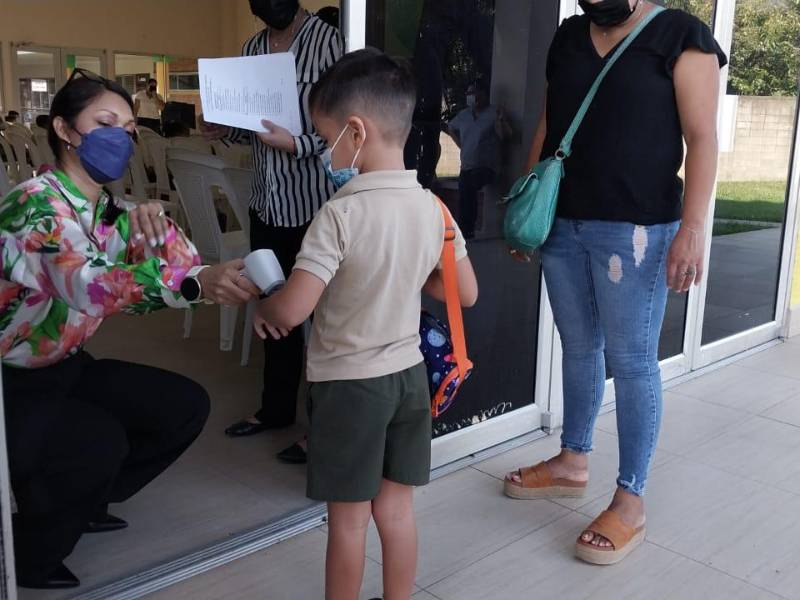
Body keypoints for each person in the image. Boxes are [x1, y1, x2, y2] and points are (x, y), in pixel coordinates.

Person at [0, 68, 259, 589]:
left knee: (182, 407)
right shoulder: (35, 206)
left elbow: (181, 271)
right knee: (98, 443)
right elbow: (89, 285)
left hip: (67, 364)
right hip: (12, 380)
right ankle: (29, 555)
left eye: (126, 127)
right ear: (65, 129)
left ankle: (83, 498)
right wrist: (192, 283)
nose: (119, 137)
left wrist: (165, 237)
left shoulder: (109, 210)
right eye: (104, 123)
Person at [503, 0, 727, 565]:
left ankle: (631, 499)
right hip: (563, 222)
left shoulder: (681, 35)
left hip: (638, 231)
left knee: (632, 362)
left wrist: (693, 228)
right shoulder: (568, 36)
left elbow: (702, 137)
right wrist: (527, 206)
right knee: (578, 348)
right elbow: (550, 126)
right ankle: (572, 461)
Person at [253, 48, 478, 600]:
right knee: (396, 512)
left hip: (349, 387)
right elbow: (465, 293)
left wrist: (266, 305)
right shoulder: (434, 209)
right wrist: (408, 270)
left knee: (349, 522)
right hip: (408, 380)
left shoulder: (340, 214)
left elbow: (294, 309)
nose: (326, 151)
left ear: (356, 131)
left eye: (325, 137)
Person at [202, 0, 343, 464]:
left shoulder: (331, 42)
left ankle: (325, 427)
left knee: (325, 320)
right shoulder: (252, 49)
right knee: (274, 307)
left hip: (316, 206)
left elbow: (347, 126)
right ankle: (276, 409)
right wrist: (222, 128)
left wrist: (296, 143)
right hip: (267, 203)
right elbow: (249, 126)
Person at [445, 79, 511, 239]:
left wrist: (501, 120)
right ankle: (465, 231)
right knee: (465, 192)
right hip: (467, 165)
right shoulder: (464, 115)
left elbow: (506, 135)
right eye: (469, 93)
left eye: (473, 93)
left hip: (486, 166)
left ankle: (467, 228)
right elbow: (450, 127)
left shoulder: (494, 113)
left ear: (483, 94)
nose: (470, 96)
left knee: (470, 185)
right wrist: (460, 144)